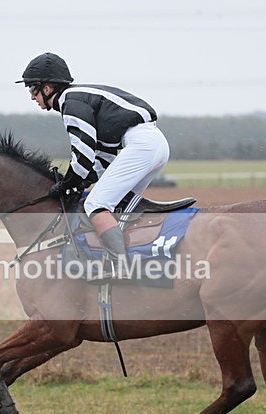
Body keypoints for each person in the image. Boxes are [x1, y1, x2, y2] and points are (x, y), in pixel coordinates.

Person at [17, 52, 170, 281]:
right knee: (120, 207)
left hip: (142, 146)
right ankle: (131, 260)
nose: (32, 97)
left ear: (47, 88)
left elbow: (83, 154)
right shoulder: (80, 99)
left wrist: (68, 183)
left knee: (95, 205)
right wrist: (82, 182)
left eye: (33, 89)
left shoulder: (71, 102)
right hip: (152, 144)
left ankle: (120, 267)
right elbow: (104, 156)